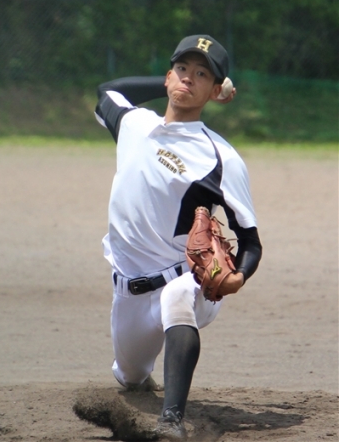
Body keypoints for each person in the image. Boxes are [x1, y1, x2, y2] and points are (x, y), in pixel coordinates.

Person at [94, 35, 262, 440]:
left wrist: (239, 276)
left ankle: (171, 422)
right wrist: (174, 82)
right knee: (130, 376)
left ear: (215, 91)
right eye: (182, 69)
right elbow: (108, 91)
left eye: (202, 74)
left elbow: (250, 241)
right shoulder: (135, 124)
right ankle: (141, 375)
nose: (189, 78)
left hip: (186, 278)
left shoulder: (220, 157)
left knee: (177, 297)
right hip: (128, 291)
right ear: (169, 75)